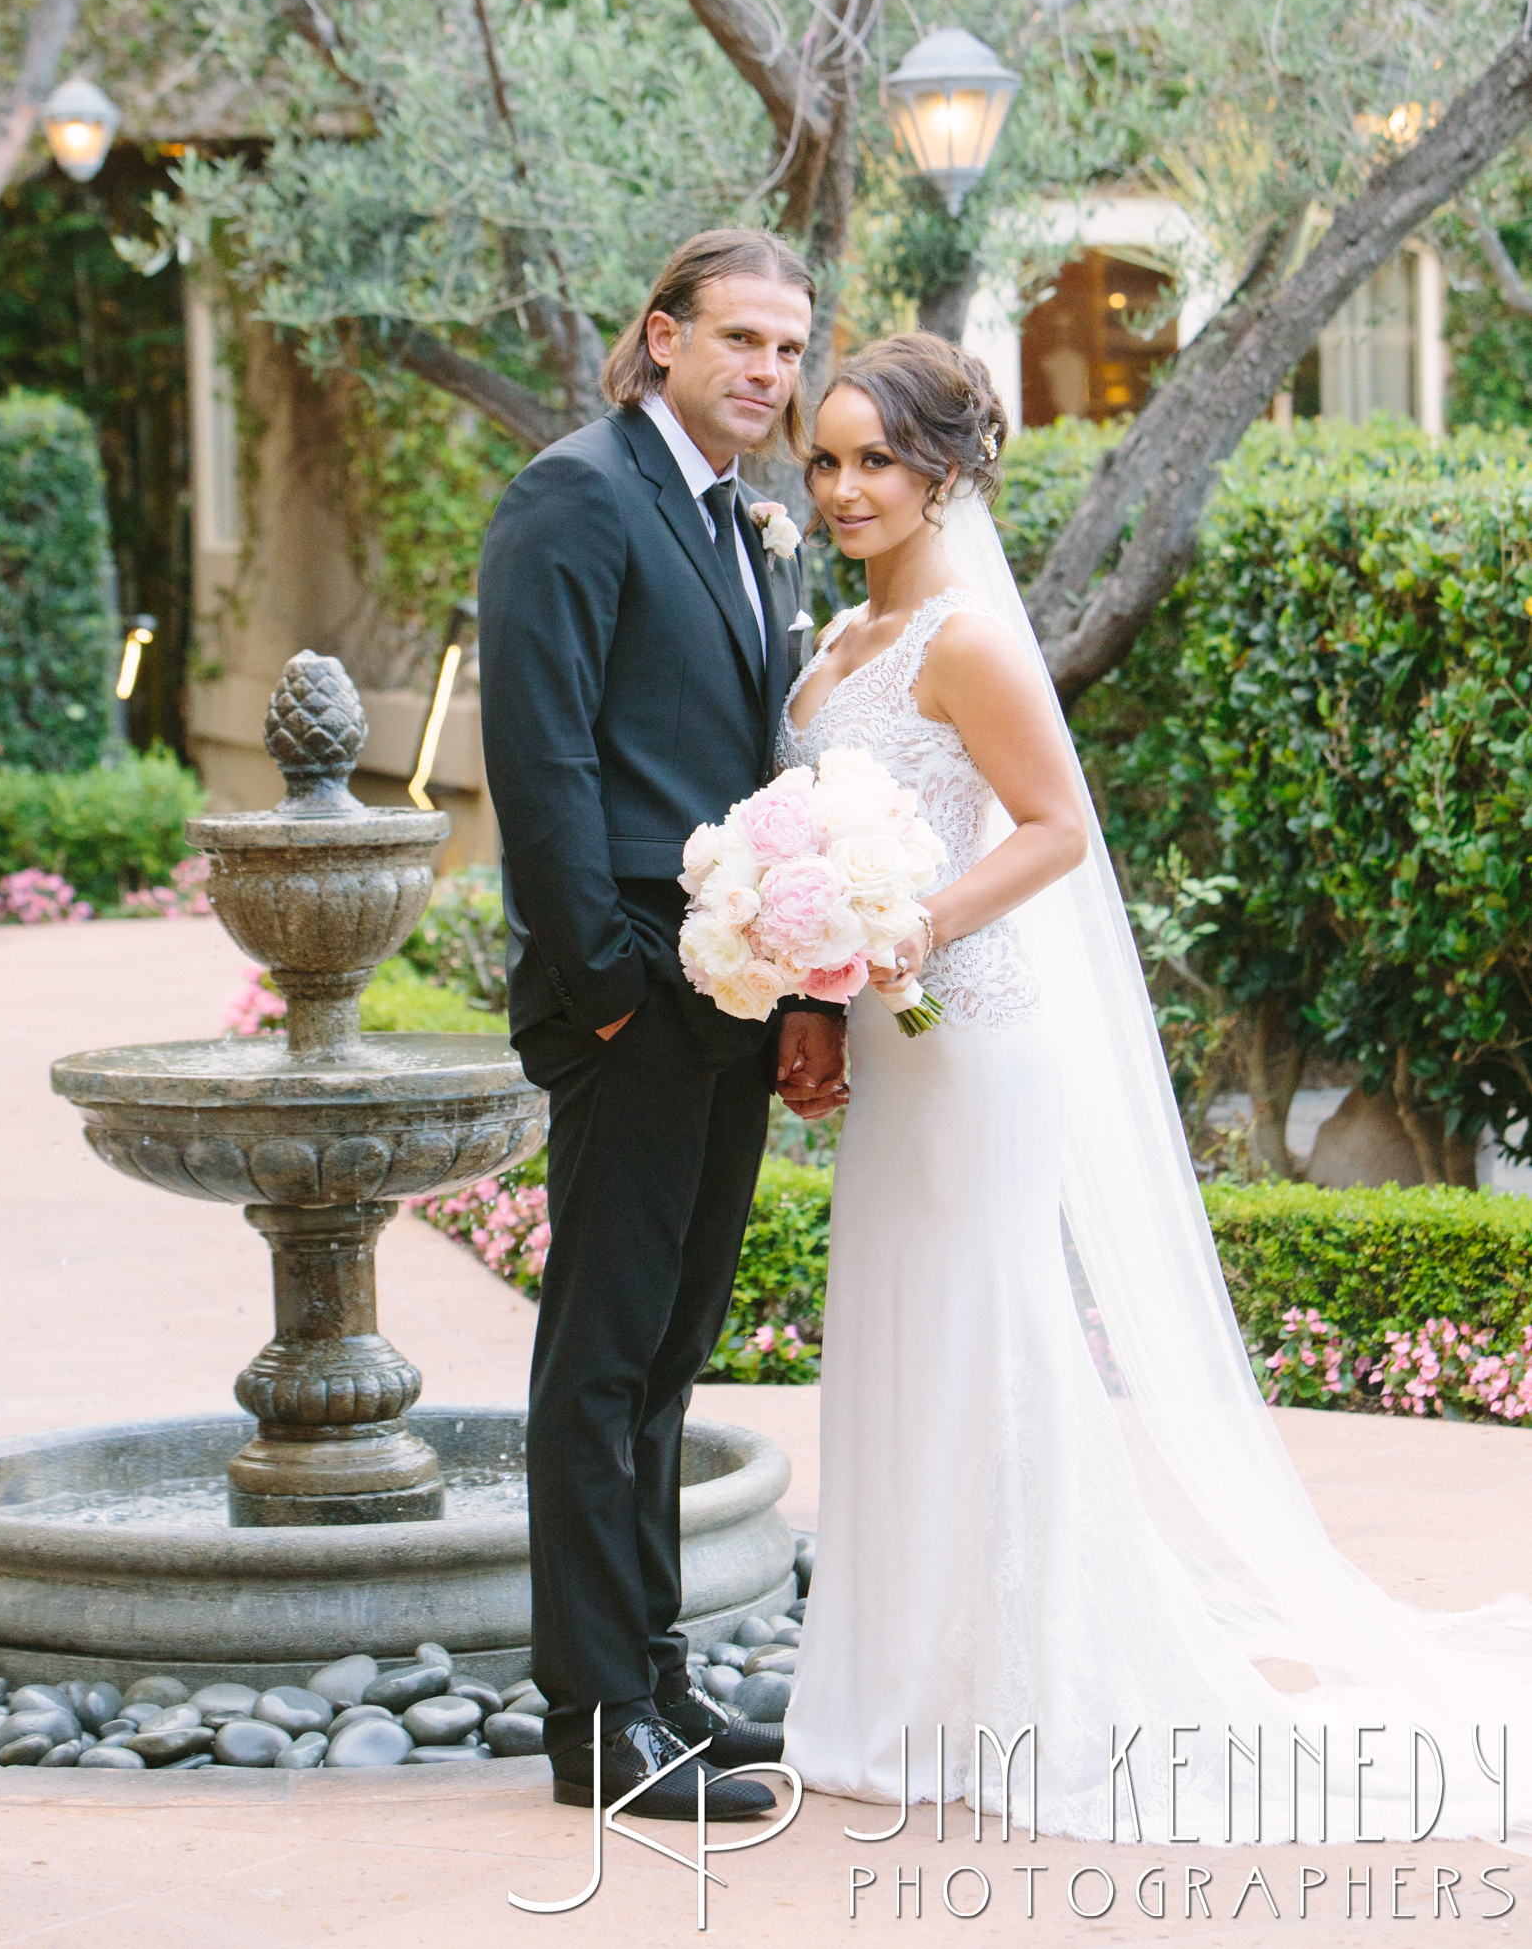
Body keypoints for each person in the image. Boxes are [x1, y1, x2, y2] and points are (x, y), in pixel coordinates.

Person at [779, 331, 1532, 1842]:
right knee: (893, 1338)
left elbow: (1055, 828)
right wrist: (808, 984)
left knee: (990, 1337)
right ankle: (895, 1694)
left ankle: (1024, 1684)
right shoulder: (833, 650)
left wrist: (909, 925)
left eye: (876, 460)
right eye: (827, 461)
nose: (847, 488)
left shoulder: (964, 642)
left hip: (974, 1035)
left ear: (946, 471)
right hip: (882, 1043)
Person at [477, 229, 847, 1824]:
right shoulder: (576, 494)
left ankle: (659, 1675)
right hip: (633, 997)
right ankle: (598, 1727)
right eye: (743, 342)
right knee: (603, 1362)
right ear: (663, 337)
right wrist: (618, 991)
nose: (769, 372)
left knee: (671, 1357)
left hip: (732, 998)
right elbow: (542, 761)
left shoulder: (741, 527)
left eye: (789, 347)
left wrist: (785, 983)